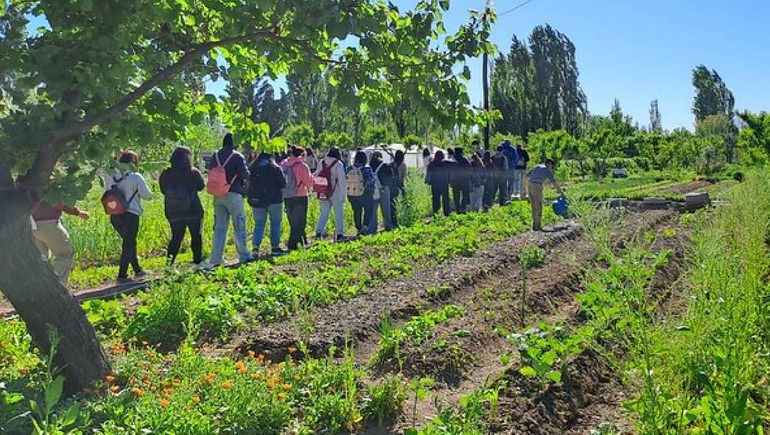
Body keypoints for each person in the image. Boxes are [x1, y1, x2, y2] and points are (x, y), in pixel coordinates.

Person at [101, 150, 152, 282]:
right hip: (131, 214)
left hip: (115, 214)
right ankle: (122, 275)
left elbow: (107, 190)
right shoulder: (136, 177)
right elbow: (148, 195)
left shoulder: (110, 175)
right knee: (128, 244)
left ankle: (137, 270)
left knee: (129, 242)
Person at [206, 133, 252, 267]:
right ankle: (244, 255)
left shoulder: (215, 155)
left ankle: (216, 258)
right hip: (233, 193)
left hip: (218, 193)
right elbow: (244, 174)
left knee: (220, 227)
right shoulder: (237, 156)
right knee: (239, 224)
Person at [159, 146, 205, 267]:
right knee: (196, 236)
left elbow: (163, 190)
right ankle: (197, 261)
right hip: (193, 210)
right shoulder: (193, 172)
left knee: (176, 238)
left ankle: (169, 264)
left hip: (173, 211)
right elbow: (201, 186)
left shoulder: (166, 173)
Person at [32, 201, 89, 283]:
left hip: (33, 226)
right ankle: (56, 285)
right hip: (50, 224)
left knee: (42, 258)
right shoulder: (49, 189)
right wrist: (79, 213)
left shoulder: (27, 189)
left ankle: (40, 286)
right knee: (65, 254)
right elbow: (61, 202)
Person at [247, 152, 287, 257]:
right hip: (274, 200)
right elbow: (283, 183)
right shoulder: (275, 168)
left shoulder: (252, 167)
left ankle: (255, 248)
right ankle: (275, 247)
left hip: (257, 200)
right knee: (275, 223)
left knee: (259, 224)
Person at [282, 147, 313, 250]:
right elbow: (308, 183)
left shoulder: (284, 165)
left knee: (293, 221)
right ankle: (292, 244)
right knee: (300, 222)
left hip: (287, 196)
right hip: (300, 195)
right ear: (302, 154)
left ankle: (303, 242)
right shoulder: (302, 166)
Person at [314, 147, 347, 242]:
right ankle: (340, 234)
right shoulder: (338, 164)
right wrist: (344, 195)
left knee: (324, 214)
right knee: (339, 214)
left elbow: (317, 175)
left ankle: (318, 232)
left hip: (323, 191)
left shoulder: (321, 162)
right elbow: (342, 180)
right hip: (336, 193)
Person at [527, 159, 565, 232]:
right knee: (538, 207)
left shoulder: (537, 166)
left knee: (533, 206)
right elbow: (554, 182)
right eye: (552, 167)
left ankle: (534, 225)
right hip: (537, 186)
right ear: (549, 164)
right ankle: (537, 227)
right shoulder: (546, 169)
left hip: (530, 185)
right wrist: (561, 193)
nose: (552, 169)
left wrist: (524, 189)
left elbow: (526, 176)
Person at [346, 151, 377, 236]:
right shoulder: (367, 168)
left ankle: (358, 227)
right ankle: (365, 226)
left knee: (357, 211)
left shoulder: (349, 168)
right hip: (366, 193)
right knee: (369, 210)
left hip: (352, 193)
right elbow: (371, 180)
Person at [369, 151, 394, 232]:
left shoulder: (369, 166)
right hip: (384, 189)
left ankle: (373, 228)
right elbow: (391, 176)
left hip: (373, 191)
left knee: (373, 211)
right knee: (386, 209)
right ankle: (388, 226)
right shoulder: (385, 165)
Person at [425, 150, 451, 216]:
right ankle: (447, 213)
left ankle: (436, 213)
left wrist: (428, 181)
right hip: (444, 183)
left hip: (434, 183)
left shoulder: (431, 164)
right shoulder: (445, 163)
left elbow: (429, 174)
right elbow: (449, 173)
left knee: (435, 198)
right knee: (446, 199)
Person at [450, 147, 471, 213]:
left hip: (454, 180)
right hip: (464, 180)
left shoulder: (452, 160)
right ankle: (463, 207)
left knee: (456, 196)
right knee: (465, 194)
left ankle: (457, 209)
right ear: (461, 152)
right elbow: (469, 170)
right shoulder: (464, 160)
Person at [391, 150, 407, 227]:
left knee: (393, 203)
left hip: (392, 186)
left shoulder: (391, 164)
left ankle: (394, 220)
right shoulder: (403, 165)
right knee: (404, 202)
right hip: (400, 185)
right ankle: (403, 218)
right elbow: (404, 177)